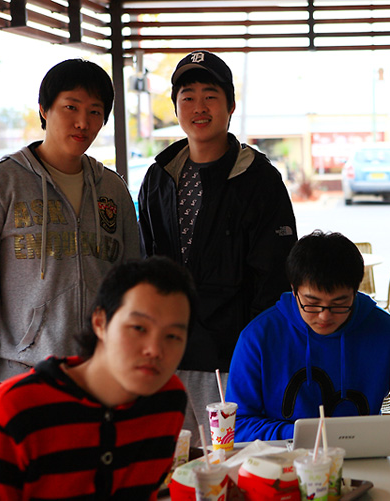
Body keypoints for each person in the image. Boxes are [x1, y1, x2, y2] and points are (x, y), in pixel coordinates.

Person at [0, 59, 140, 411]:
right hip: (22, 382)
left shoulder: (113, 190)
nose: (83, 122)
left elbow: (132, 286)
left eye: (95, 111)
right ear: (44, 108)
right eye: (71, 107)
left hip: (101, 379)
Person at [138, 50, 297, 442]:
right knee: (175, 458)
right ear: (176, 106)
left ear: (230, 106)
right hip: (168, 353)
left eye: (210, 96)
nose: (199, 107)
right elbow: (145, 261)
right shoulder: (159, 177)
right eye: (188, 97)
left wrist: (255, 352)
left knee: (230, 457)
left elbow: (275, 275)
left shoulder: (258, 178)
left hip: (231, 358)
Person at [0, 256, 195, 499]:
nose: (155, 350)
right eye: (139, 328)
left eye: (173, 336)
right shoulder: (14, 409)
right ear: (100, 322)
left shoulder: (167, 401)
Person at [226, 230, 390, 451]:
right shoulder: (258, 338)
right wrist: (300, 436)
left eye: (339, 304)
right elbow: (239, 424)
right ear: (294, 289)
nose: (324, 316)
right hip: (282, 461)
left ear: (355, 291)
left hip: (367, 459)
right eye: (312, 303)